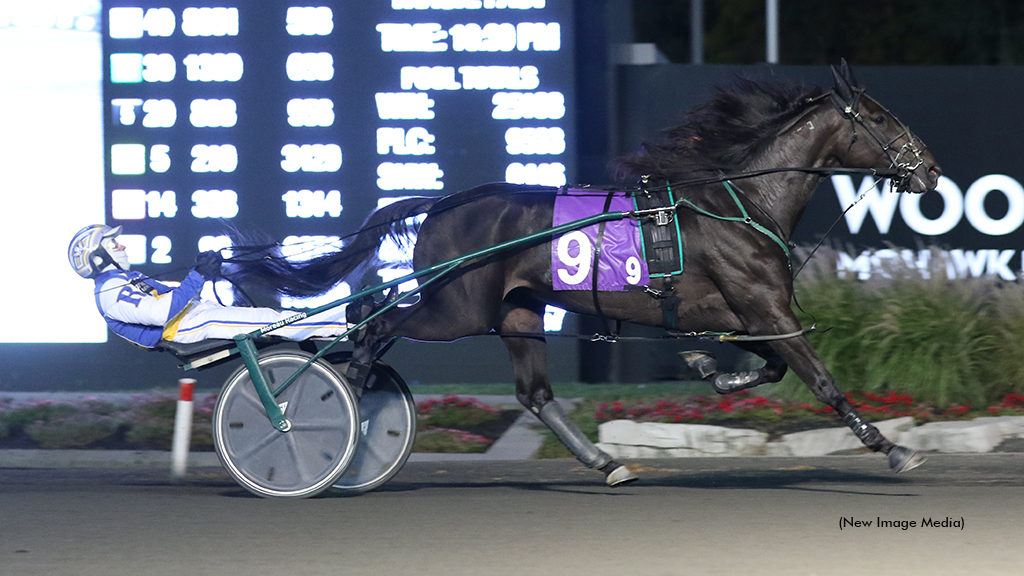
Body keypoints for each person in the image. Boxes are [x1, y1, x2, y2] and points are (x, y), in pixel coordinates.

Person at [68, 224, 349, 348]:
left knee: (275, 318)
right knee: (273, 321)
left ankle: (343, 317)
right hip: (190, 325)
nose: (122, 245)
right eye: (113, 243)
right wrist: (197, 275)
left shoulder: (122, 282)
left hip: (195, 316)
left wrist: (202, 271)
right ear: (98, 257)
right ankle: (348, 326)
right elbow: (158, 313)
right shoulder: (110, 294)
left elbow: (177, 293)